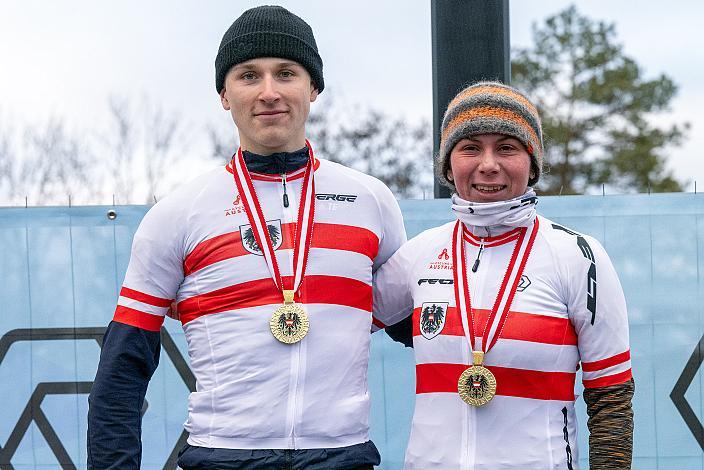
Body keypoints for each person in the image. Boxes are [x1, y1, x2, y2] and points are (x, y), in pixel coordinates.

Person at [87, 5, 406, 469]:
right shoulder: (178, 213)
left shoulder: (371, 201)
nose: (269, 93)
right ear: (224, 94)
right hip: (224, 456)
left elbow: (425, 331)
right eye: (248, 76)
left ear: (313, 87)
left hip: (342, 456)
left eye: (287, 73)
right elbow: (122, 371)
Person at [373, 81, 634, 469]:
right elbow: (340, 321)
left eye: (507, 147)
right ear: (448, 165)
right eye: (470, 147)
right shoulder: (420, 253)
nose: (489, 164)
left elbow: (610, 397)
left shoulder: (579, 256)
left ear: (532, 165)